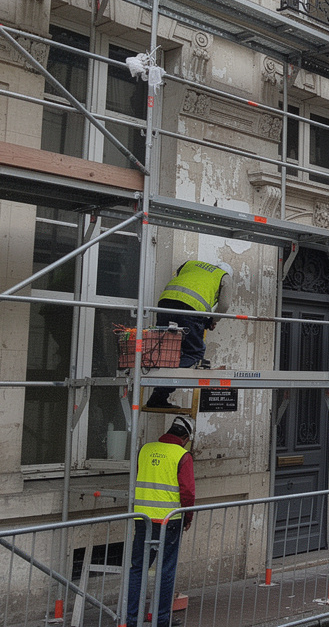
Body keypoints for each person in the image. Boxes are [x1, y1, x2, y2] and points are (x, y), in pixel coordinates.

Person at [127, 416, 195, 626]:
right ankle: (161, 619)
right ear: (184, 437)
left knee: (138, 568)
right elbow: (188, 492)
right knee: (165, 570)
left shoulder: (145, 449)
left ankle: (131, 619)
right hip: (169, 520)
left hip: (143, 518)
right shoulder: (182, 455)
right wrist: (188, 517)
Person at [147, 261, 228, 409]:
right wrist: (213, 320)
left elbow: (181, 278)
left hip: (165, 303)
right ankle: (158, 395)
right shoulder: (224, 277)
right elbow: (224, 305)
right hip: (190, 309)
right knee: (194, 353)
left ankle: (156, 394)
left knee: (165, 350)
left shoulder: (190, 264)